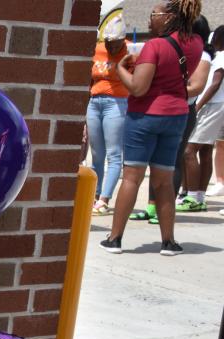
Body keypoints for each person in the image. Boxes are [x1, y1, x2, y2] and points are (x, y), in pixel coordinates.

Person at [101, 0, 206, 256]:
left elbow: (138, 87)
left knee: (132, 178)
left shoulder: (155, 45)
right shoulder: (196, 44)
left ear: (169, 17)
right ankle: (168, 241)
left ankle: (115, 239)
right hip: (177, 116)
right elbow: (183, 79)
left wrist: (120, 68)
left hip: (145, 116)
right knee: (164, 180)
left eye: (154, 14)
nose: (150, 19)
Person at [140, 14, 212, 220]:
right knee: (155, 160)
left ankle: (165, 209)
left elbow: (196, 87)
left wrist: (163, 89)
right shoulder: (172, 47)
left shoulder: (203, 56)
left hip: (182, 111)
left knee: (173, 160)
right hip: (163, 107)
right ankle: (152, 206)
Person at [87, 9, 130, 215]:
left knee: (114, 153)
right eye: (109, 42)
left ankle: (104, 199)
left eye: (116, 42)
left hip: (117, 102)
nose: (112, 46)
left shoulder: (131, 51)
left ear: (123, 39)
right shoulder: (98, 49)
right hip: (95, 101)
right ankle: (93, 195)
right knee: (96, 153)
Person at [179, 24, 224, 211]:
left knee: (189, 150)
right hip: (210, 104)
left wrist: (198, 105)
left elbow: (215, 84)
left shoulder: (221, 56)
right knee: (204, 152)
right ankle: (197, 195)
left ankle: (193, 197)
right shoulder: (214, 54)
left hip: (212, 105)